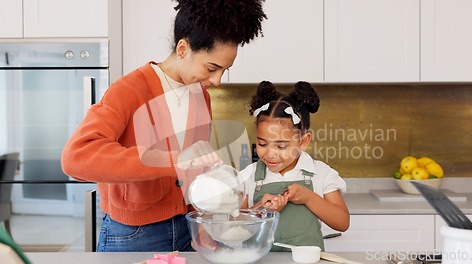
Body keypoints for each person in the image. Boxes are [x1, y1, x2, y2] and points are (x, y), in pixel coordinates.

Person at [61, 0, 266, 252]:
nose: (217, 80)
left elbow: (193, 168)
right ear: (183, 48)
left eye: (224, 70)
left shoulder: (200, 96)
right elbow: (76, 158)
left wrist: (200, 221)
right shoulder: (129, 90)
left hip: (185, 229)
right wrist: (175, 160)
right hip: (133, 235)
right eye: (212, 68)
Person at [240, 81, 350, 252]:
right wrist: (259, 209)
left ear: (303, 141)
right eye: (262, 144)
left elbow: (342, 222)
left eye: (281, 146)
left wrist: (309, 198)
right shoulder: (249, 176)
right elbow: (236, 227)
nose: (270, 154)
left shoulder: (320, 173)